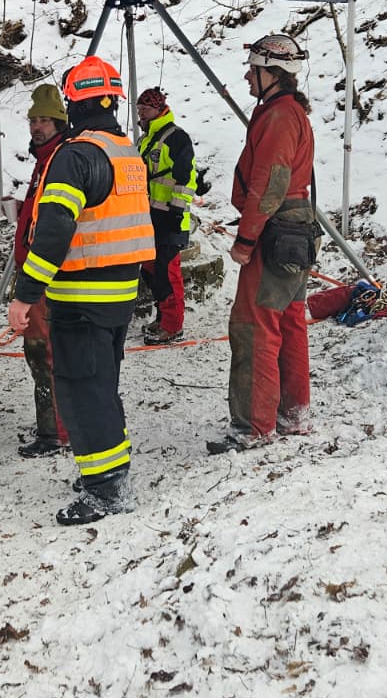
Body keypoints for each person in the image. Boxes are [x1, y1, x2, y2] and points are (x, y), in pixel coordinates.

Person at [8, 57, 154, 525]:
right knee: (102, 384)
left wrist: (26, 293)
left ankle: (107, 489)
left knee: (81, 389)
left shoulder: (74, 155)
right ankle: (110, 471)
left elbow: (54, 229)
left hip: (83, 295)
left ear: (73, 102)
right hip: (119, 292)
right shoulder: (125, 149)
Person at [210, 34, 317, 454]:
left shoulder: (277, 118)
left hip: (275, 229)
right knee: (288, 320)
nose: (246, 77)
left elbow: (270, 183)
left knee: (254, 326)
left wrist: (246, 237)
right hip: (293, 228)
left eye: (252, 70)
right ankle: (293, 413)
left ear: (270, 72)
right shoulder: (287, 113)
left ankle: (254, 426)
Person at [13, 83, 69, 458]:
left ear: (59, 122)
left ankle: (56, 431)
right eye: (33, 119)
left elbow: (58, 221)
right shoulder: (44, 160)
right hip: (35, 269)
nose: (37, 126)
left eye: (44, 119)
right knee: (40, 350)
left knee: (44, 351)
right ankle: (53, 425)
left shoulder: (60, 159)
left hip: (46, 273)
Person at [134, 87, 198, 344]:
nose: (141, 115)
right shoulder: (145, 140)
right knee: (152, 272)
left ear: (159, 109)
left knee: (167, 274)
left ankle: (172, 326)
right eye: (139, 110)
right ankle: (163, 317)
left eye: (146, 110)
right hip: (149, 217)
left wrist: (177, 209)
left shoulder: (175, 137)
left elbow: (187, 177)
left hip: (171, 219)